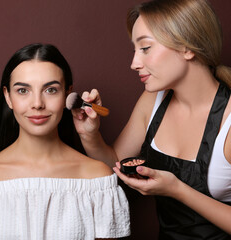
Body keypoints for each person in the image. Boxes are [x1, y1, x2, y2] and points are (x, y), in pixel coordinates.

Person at [72, 0, 231, 239]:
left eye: (145, 48)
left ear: (188, 48)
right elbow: (113, 168)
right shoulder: (153, 101)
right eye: (134, 50)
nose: (134, 64)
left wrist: (177, 189)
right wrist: (89, 134)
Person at [0, 43, 130, 240]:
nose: (37, 104)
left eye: (50, 90)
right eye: (23, 91)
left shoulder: (96, 179)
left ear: (68, 95)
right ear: (8, 97)